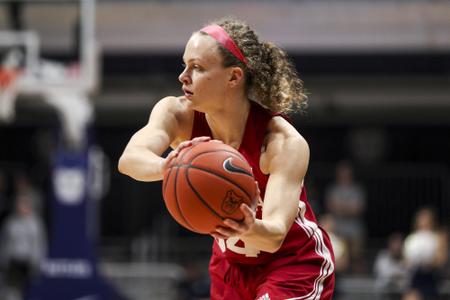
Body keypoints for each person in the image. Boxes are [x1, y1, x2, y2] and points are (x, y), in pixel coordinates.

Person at [119, 17, 335, 299]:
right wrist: (167, 166)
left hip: (292, 264)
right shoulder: (176, 113)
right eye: (185, 65)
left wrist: (250, 226)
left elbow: (273, 236)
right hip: (230, 267)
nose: (183, 76)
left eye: (197, 68)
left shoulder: (282, 143)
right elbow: (129, 159)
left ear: (233, 77)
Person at [324, 160, 366, 272]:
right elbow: (331, 206)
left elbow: (358, 209)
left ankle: (357, 271)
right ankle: (339, 271)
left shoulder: (356, 189)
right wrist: (348, 208)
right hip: (337, 225)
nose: (344, 175)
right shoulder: (333, 189)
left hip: (353, 225)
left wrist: (341, 208)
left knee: (358, 234)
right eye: (342, 172)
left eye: (346, 172)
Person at [373, 233, 408, 300]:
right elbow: (385, 274)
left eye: (399, 244)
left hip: (401, 293)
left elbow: (408, 277)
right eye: (395, 243)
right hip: (384, 292)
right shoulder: (382, 256)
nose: (397, 247)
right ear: (390, 245)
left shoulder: (407, 258)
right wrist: (396, 276)